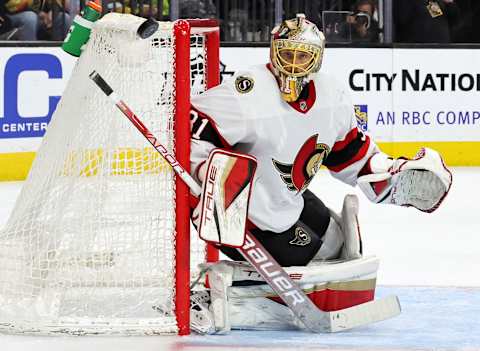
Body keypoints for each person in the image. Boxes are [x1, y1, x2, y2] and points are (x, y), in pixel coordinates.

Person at [188, 14, 452, 333]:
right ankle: (234, 301)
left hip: (285, 197)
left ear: (318, 59)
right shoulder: (249, 90)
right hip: (239, 209)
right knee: (315, 265)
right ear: (273, 52)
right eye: (287, 54)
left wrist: (389, 171)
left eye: (303, 56)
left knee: (337, 243)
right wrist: (206, 173)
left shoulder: (332, 95)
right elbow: (193, 128)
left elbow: (351, 153)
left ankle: (276, 290)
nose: (294, 64)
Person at [394, 0, 460, 43]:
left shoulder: (431, 3)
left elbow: (453, 20)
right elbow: (402, 20)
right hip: (417, 48)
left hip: (441, 49)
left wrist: (449, 3)